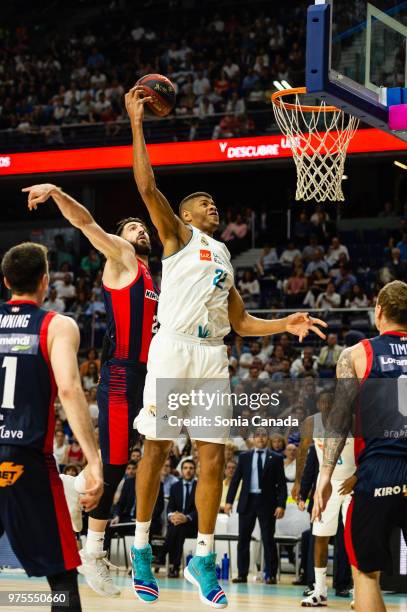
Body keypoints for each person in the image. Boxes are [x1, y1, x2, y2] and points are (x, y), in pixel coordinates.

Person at [124, 85, 327, 608]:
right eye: (203, 204)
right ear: (186, 216)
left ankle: (203, 555)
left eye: (214, 203)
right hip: (172, 349)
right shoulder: (177, 237)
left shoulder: (223, 258)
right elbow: (147, 187)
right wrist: (138, 124)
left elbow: (240, 323)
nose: (212, 207)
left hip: (213, 355)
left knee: (214, 458)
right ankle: (143, 545)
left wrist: (286, 323)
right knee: (158, 448)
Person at [23, 183, 158, 598]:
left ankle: (74, 485)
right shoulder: (121, 256)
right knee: (115, 466)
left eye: (141, 227)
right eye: (133, 226)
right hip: (121, 375)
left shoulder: (153, 273)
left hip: (146, 376)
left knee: (136, 456)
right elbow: (86, 222)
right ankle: (93, 551)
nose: (140, 231)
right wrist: (59, 193)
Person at [0, 242, 103, 612]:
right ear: (46, 281)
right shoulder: (56, 325)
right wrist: (93, 461)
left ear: (6, 280)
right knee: (61, 575)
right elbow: (71, 390)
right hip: (26, 459)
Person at [313, 280, 407, 612]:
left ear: (378, 312)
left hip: (378, 471)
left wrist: (326, 475)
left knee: (365, 575)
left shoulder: (357, 354)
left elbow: (338, 419)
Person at [292, 391, 355, 606]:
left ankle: (358, 589)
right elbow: (302, 453)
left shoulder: (352, 421)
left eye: (332, 401)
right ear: (318, 404)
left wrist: (357, 478)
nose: (327, 405)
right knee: (319, 535)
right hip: (325, 484)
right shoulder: (311, 423)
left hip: (350, 484)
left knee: (354, 537)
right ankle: (319, 590)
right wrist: (299, 483)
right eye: (323, 401)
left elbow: (367, 451)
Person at [224, 428, 287, 583]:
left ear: (267, 439)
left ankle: (271, 574)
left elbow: (282, 484)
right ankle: (242, 574)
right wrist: (229, 501)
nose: (260, 439)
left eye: (264, 436)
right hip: (247, 501)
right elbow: (236, 480)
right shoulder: (244, 457)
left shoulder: (276, 457)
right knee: (243, 539)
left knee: (268, 539)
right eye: (257, 436)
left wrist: (281, 505)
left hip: (267, 502)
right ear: (252, 439)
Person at [164, 459, 198, 577]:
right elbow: (170, 507)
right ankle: (175, 566)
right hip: (176, 523)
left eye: (191, 468)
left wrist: (187, 517)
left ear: (195, 471)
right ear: (182, 470)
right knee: (177, 528)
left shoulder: (199, 486)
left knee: (178, 529)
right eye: (185, 468)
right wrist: (172, 516)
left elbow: (200, 509)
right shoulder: (175, 486)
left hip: (192, 524)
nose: (188, 471)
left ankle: (165, 557)